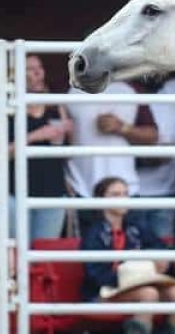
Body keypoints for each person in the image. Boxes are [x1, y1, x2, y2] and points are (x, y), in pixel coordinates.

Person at [80, 176, 175, 334]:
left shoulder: (135, 228)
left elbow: (160, 247)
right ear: (101, 200)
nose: (122, 198)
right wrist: (128, 274)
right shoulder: (94, 233)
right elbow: (95, 275)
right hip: (105, 291)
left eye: (125, 194)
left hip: (140, 285)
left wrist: (160, 260)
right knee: (148, 294)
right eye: (115, 194)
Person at [0, 54, 73, 242]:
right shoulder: (2, 110)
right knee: (16, 254)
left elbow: (68, 152)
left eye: (39, 68)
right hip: (11, 196)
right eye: (29, 69)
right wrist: (35, 136)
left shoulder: (56, 107)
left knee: (44, 255)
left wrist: (68, 133)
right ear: (14, 76)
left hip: (52, 194)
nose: (37, 73)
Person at [65, 80, 155, 232]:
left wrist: (122, 128)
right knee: (89, 246)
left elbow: (152, 136)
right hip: (82, 187)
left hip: (126, 189)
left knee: (131, 244)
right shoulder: (69, 86)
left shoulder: (133, 89)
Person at [127, 74, 175, 244]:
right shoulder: (126, 93)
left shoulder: (173, 89)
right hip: (132, 192)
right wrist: (146, 157)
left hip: (166, 192)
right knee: (135, 248)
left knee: (164, 248)